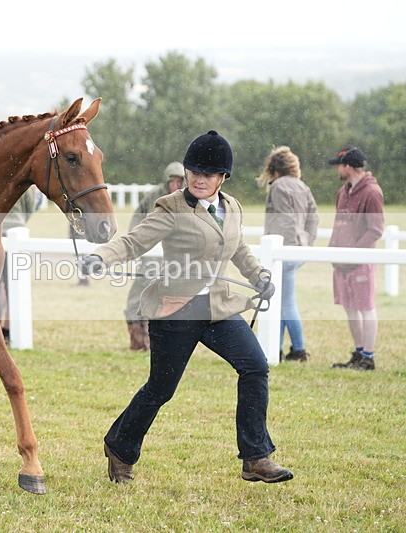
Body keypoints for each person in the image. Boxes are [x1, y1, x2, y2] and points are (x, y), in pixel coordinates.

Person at [81, 130, 292, 484]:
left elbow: (239, 248)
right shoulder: (171, 207)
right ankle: (119, 447)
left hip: (218, 308)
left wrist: (259, 277)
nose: (198, 179)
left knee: (255, 367)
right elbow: (134, 242)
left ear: (223, 177)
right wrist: (101, 257)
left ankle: (256, 457)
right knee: (160, 389)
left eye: (207, 174)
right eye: (193, 171)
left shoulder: (232, 208)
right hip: (176, 310)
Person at [257, 147, 319, 362]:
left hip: (284, 249)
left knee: (286, 304)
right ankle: (277, 348)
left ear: (274, 168)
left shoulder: (278, 186)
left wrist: (280, 247)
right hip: (299, 248)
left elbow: (285, 220)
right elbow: (313, 217)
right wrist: (306, 242)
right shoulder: (302, 186)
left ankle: (299, 349)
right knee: (282, 302)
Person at [327, 147, 384, 371]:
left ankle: (368, 357)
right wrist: (334, 250)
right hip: (342, 263)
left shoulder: (372, 192)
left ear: (348, 167)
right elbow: (338, 224)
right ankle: (359, 353)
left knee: (366, 308)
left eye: (339, 166)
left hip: (360, 262)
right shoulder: (342, 192)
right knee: (350, 308)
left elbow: (376, 229)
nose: (337, 170)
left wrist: (353, 252)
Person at [123, 162, 185, 350]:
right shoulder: (154, 196)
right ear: (166, 181)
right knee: (142, 287)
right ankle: (137, 336)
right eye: (172, 181)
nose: (175, 185)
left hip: (176, 254)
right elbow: (138, 217)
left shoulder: (188, 199)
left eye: (179, 181)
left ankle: (159, 338)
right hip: (152, 250)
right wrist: (137, 242)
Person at [0, 185, 38, 343]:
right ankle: (8, 330)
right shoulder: (24, 184)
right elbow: (30, 208)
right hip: (17, 231)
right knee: (14, 287)